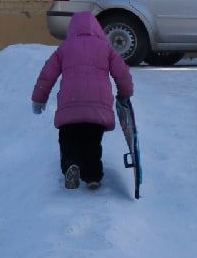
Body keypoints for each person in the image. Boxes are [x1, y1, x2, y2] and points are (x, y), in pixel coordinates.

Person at [30, 11, 135, 191]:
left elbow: (47, 75)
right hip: (98, 107)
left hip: (70, 105)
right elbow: (122, 73)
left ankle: (71, 164)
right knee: (92, 142)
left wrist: (39, 98)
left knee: (68, 139)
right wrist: (125, 93)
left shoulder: (65, 47)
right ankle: (93, 176)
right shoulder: (105, 47)